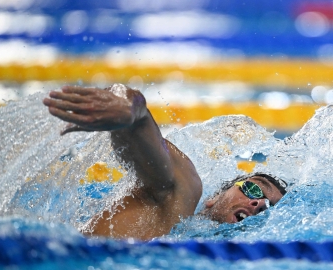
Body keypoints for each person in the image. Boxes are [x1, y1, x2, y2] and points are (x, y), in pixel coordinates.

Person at [43, 84, 287, 240]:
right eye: (254, 189)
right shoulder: (183, 193)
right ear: (216, 196)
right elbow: (142, 127)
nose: (257, 204)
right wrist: (130, 108)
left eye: (269, 208)